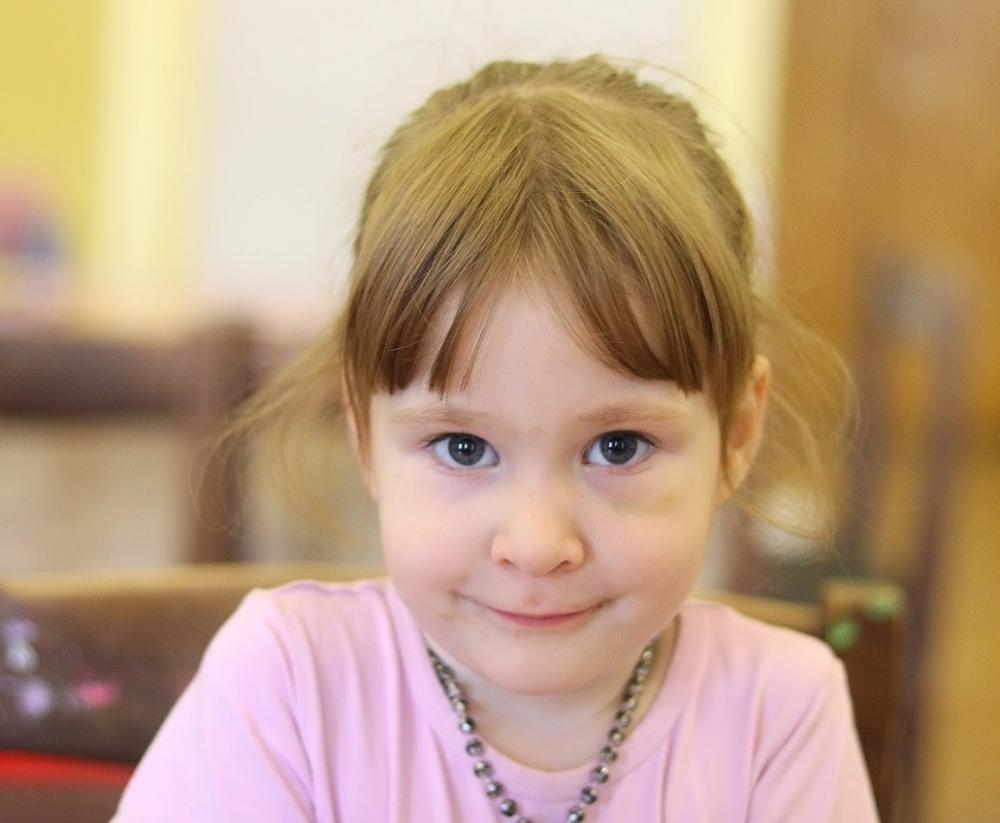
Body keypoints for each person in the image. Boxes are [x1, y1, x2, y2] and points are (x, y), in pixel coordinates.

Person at [113, 55, 878, 822]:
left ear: (737, 433)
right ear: (364, 434)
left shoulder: (779, 716)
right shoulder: (290, 685)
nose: (537, 544)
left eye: (618, 446)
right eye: (464, 448)